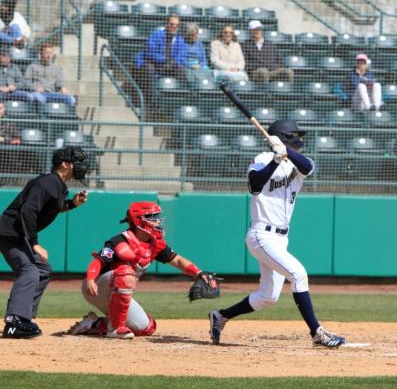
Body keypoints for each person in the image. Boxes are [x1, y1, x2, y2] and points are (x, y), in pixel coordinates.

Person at [209, 119, 345, 348]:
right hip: (262, 235)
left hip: (281, 238)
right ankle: (317, 333)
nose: (300, 141)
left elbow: (308, 167)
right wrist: (275, 159)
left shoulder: (298, 164)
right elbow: (254, 185)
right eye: (295, 137)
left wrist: (286, 153)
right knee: (299, 275)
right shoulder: (262, 159)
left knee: (268, 298)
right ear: (284, 137)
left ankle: (220, 316)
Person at [67, 201, 213, 339]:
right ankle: (115, 329)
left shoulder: (155, 243)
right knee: (125, 271)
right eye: (152, 218)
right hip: (96, 288)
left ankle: (94, 324)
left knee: (145, 328)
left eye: (157, 217)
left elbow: (178, 261)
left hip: (117, 292)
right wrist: (91, 279)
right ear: (138, 220)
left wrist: (198, 273)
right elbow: (98, 262)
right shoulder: (120, 241)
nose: (157, 221)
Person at [0, 146, 89, 338]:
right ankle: (15, 321)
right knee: (30, 270)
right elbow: (28, 211)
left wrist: (72, 204)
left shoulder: (57, 184)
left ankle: (25, 318)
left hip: (15, 233)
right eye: (78, 162)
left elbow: (49, 209)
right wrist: (34, 243)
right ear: (65, 164)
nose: (82, 166)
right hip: (9, 232)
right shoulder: (47, 183)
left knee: (42, 270)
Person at [134, 15, 187, 105]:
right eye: (172, 24)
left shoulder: (180, 40)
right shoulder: (156, 34)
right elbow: (150, 52)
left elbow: (181, 57)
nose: (174, 27)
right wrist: (165, 60)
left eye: (177, 25)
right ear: (167, 24)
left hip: (169, 66)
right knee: (149, 68)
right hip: (153, 63)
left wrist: (173, 62)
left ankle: (178, 101)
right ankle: (148, 100)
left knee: (181, 70)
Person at [24, 42, 76, 107]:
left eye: (50, 53)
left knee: (71, 99)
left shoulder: (57, 68)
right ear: (41, 53)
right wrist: (35, 88)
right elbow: (26, 83)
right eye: (46, 53)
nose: (49, 55)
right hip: (38, 93)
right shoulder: (32, 66)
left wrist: (62, 88)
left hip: (52, 94)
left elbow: (60, 84)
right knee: (39, 99)